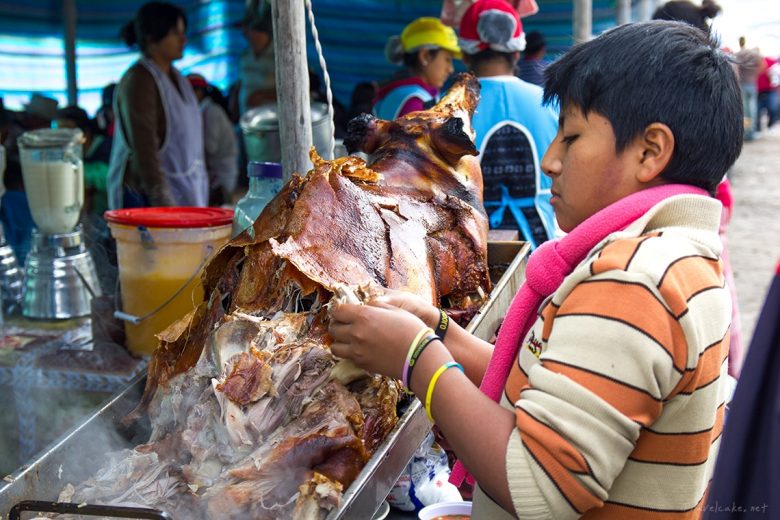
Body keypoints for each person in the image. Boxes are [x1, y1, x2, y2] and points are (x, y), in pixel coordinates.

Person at [328, 20, 741, 519]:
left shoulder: (635, 280)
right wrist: (441, 333)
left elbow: (539, 486)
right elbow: (552, 384)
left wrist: (418, 361)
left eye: (571, 137)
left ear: (650, 151)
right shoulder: (676, 256)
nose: (549, 161)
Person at [459, 0, 559, 247]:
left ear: (464, 54)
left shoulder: (446, 110)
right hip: (542, 249)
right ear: (517, 52)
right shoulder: (549, 103)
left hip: (469, 251)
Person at [108, 1, 208, 209]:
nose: (183, 39)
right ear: (152, 37)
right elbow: (144, 150)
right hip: (146, 198)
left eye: (183, 32)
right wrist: (162, 201)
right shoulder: (140, 80)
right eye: (175, 33)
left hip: (185, 189)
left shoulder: (178, 79)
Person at [373, 17, 461, 120]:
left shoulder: (403, 92)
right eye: (447, 59)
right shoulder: (413, 102)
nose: (450, 69)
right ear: (425, 56)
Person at [186, 74, 239, 206]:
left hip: (221, 174)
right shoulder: (203, 111)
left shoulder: (211, 113)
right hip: (218, 172)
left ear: (199, 92)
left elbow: (210, 147)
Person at [55, 106, 112, 217]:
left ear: (84, 133)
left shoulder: (106, 147)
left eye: (66, 135)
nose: (60, 141)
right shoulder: (64, 155)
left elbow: (107, 178)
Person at [238, 0, 276, 116]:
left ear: (264, 32)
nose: (245, 34)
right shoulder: (245, 56)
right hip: (248, 124)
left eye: (251, 30)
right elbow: (242, 81)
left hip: (274, 126)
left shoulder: (281, 58)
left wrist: (262, 95)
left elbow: (296, 91)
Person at [735, 36, 763, 141]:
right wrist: (755, 74)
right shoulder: (754, 54)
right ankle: (752, 131)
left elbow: (735, 68)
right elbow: (762, 65)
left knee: (745, 110)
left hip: (742, 83)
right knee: (753, 108)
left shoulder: (738, 54)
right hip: (752, 83)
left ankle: (747, 132)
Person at [652, 0, 721, 33]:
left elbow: (663, 9)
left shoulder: (685, 4)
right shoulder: (704, 29)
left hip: (653, 27)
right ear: (712, 16)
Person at [756, 55, 778, 133]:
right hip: (758, 90)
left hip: (770, 89)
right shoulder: (754, 63)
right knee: (757, 110)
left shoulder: (770, 61)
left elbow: (775, 75)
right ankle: (758, 128)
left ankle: (770, 125)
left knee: (773, 108)